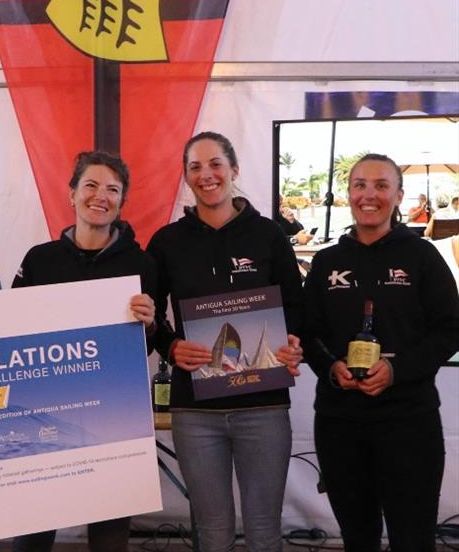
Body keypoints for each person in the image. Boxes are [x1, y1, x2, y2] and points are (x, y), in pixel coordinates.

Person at [147, 132, 304, 552]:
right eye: (195, 167)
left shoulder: (269, 235)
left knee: (264, 530)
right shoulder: (166, 242)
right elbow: (148, 316)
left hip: (264, 406)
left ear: (234, 169)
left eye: (215, 163)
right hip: (195, 412)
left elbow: (296, 307)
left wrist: (292, 342)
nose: (206, 174)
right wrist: (171, 347)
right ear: (186, 177)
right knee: (212, 533)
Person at [302, 154, 459, 551]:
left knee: (413, 538)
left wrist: (398, 371)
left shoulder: (423, 257)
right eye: (359, 185)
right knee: (357, 539)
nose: (369, 195)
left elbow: (450, 329)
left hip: (409, 421)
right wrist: (329, 366)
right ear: (348, 194)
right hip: (340, 423)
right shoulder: (326, 262)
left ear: (399, 196)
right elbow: (306, 332)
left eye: (381, 185)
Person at [10, 151, 157, 552]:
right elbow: (12, 334)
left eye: (112, 189)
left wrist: (150, 323)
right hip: (41, 415)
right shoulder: (39, 260)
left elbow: (145, 346)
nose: (100, 196)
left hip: (113, 415)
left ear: (121, 202)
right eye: (90, 185)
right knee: (33, 534)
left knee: (109, 538)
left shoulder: (143, 264)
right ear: (72, 193)